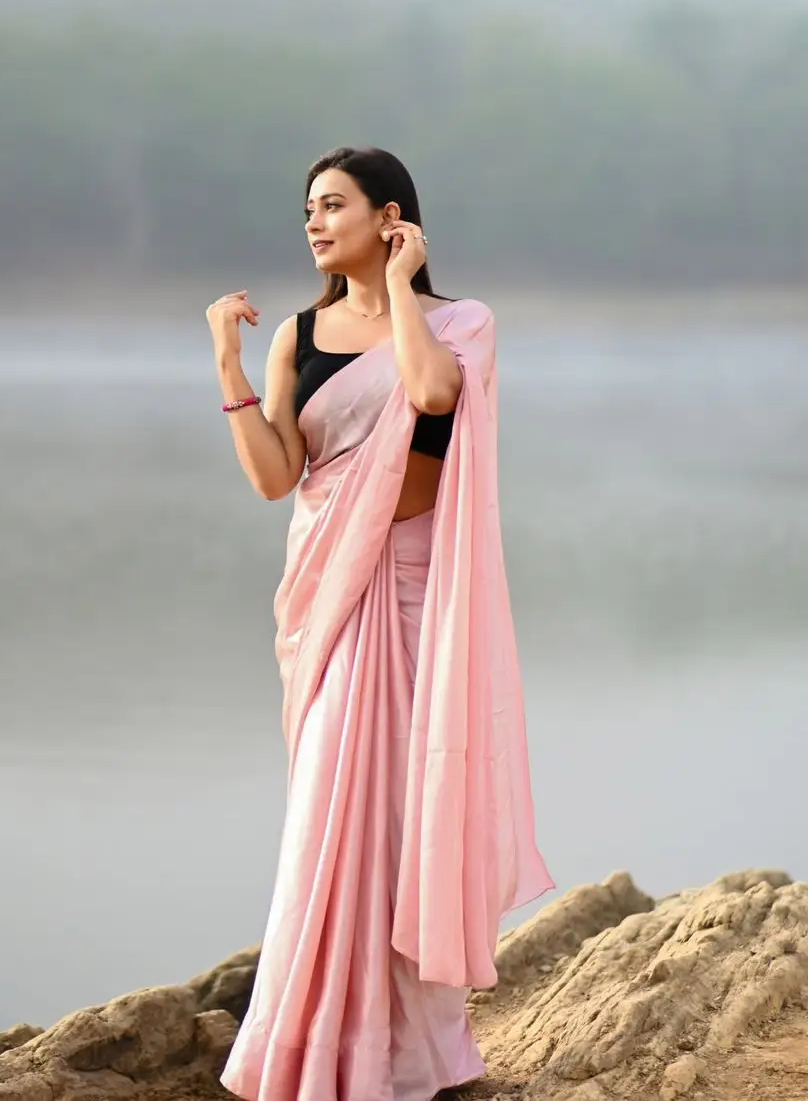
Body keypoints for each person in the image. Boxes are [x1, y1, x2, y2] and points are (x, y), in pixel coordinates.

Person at [205, 146, 553, 1101]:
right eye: (307, 209)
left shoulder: (460, 323)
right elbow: (278, 478)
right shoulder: (296, 335)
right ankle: (317, 1052)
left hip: (420, 601)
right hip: (330, 602)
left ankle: (416, 1057)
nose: (314, 223)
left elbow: (434, 394)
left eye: (332, 205)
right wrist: (229, 364)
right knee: (327, 820)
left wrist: (400, 288)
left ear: (389, 216)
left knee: (412, 825)